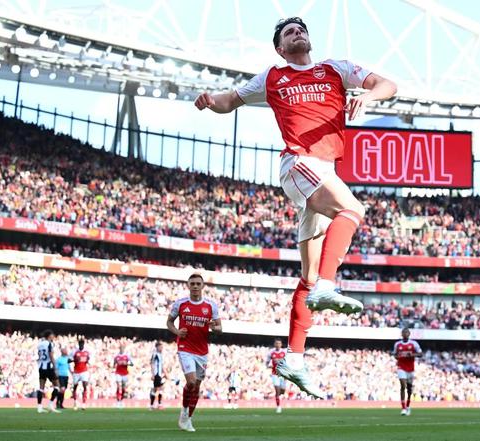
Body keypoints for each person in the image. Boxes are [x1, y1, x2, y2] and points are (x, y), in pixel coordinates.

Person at [194, 16, 397, 398]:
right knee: (352, 210)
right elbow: (230, 101)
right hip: (299, 162)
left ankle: (294, 359)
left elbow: (388, 85)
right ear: (280, 48)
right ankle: (328, 286)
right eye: (289, 32)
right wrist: (210, 101)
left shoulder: (335, 69)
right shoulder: (273, 77)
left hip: (324, 170)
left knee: (307, 277)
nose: (298, 33)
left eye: (301, 29)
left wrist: (366, 97)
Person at [166, 273, 222, 432]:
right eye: (193, 283)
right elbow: (169, 322)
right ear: (188, 285)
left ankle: (188, 419)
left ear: (203, 286)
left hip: (202, 351)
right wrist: (177, 332)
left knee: (196, 387)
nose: (195, 286)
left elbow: (220, 328)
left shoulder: (211, 305)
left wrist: (214, 328)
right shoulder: (180, 304)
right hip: (185, 348)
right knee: (190, 382)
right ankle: (184, 412)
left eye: (198, 283)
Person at [392, 328, 422, 416]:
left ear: (409, 334)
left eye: (407, 333)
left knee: (409, 388)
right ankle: (403, 408)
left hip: (410, 368)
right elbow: (394, 354)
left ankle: (408, 405)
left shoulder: (414, 343)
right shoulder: (397, 344)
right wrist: (398, 356)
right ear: (401, 334)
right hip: (401, 367)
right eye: (404, 333)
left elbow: (420, 354)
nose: (405, 334)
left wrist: (412, 354)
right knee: (403, 385)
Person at [36, 329, 61, 413]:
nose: (53, 336)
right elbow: (51, 356)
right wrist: (55, 368)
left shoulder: (39, 344)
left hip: (41, 367)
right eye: (52, 335)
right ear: (49, 336)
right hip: (48, 367)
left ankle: (39, 407)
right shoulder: (49, 344)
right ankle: (50, 405)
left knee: (41, 388)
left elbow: (39, 355)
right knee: (57, 386)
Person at [266, 338, 288, 413]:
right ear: (274, 344)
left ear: (281, 344)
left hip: (283, 374)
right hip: (275, 374)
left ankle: (280, 397)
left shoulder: (284, 352)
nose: (278, 345)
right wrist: (269, 366)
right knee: (277, 390)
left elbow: (288, 361)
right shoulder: (271, 352)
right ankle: (278, 406)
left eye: (279, 343)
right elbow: (267, 362)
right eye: (276, 343)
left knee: (283, 390)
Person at [70, 338, 90, 410]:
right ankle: (75, 402)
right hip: (76, 372)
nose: (81, 345)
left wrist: (88, 361)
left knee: (85, 386)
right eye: (80, 344)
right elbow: (68, 360)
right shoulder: (74, 352)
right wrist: (74, 360)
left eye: (82, 344)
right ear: (78, 344)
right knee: (75, 387)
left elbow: (89, 360)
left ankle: (84, 403)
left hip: (84, 371)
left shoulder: (87, 352)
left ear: (83, 344)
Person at [113, 344, 134, 408]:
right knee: (118, 386)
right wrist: (116, 365)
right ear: (119, 348)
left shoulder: (127, 356)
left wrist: (126, 363)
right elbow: (114, 364)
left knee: (123, 388)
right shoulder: (116, 356)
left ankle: (121, 400)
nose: (122, 349)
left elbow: (132, 364)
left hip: (125, 373)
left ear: (124, 349)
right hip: (118, 373)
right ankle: (118, 400)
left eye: (123, 348)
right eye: (121, 348)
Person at [149, 341, 166, 410]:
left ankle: (157, 404)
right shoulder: (155, 354)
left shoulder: (161, 355)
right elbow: (152, 364)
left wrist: (165, 373)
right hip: (156, 374)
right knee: (156, 389)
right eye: (160, 347)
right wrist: (153, 374)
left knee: (159, 388)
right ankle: (154, 405)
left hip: (160, 374)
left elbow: (161, 366)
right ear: (157, 347)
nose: (162, 348)